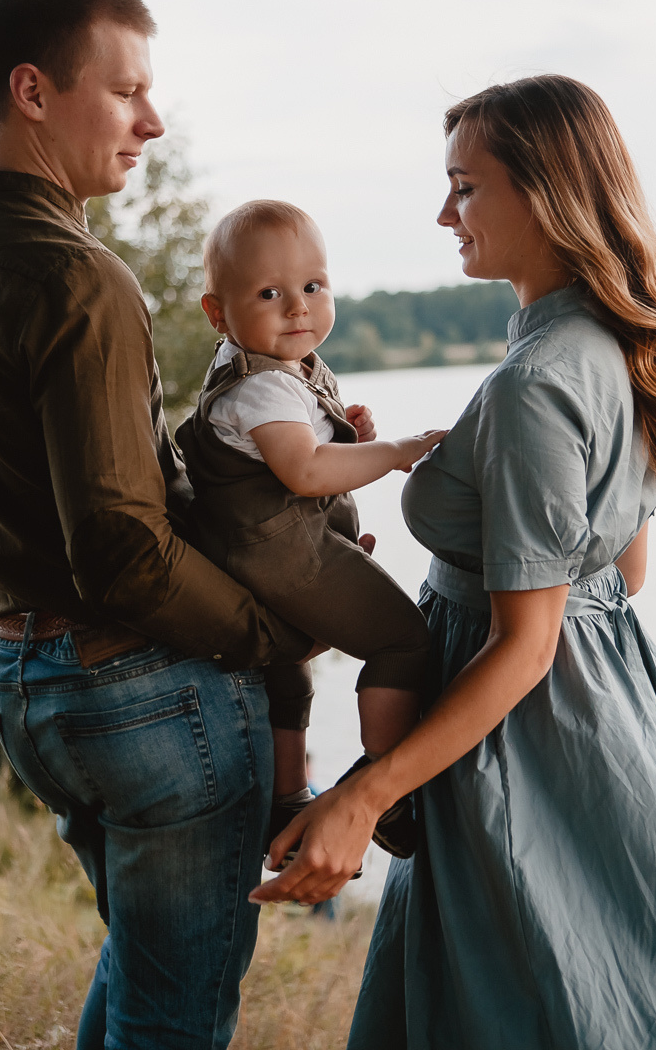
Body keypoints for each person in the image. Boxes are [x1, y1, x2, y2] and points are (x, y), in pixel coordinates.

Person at [250, 74, 656, 1049]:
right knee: (622, 973)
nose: (441, 213)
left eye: (464, 187)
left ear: (543, 192)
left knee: (520, 1002)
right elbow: (620, 576)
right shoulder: (610, 341)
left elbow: (526, 643)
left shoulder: (537, 380)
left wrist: (366, 790)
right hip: (615, 718)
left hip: (515, 737)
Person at [0, 0, 316, 1050]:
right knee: (173, 1014)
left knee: (143, 978)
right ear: (33, 91)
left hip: (27, 687)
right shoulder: (81, 273)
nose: (154, 121)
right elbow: (123, 549)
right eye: (126, 91)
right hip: (144, 692)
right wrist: (268, 633)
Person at [176, 200, 444, 859]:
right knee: (404, 641)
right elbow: (302, 470)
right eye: (269, 293)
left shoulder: (269, 369)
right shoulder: (261, 388)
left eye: (312, 287)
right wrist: (395, 452)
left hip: (253, 552)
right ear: (218, 313)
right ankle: (384, 783)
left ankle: (287, 795)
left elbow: (305, 448)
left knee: (285, 675)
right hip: (283, 556)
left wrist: (347, 432)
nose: (297, 308)